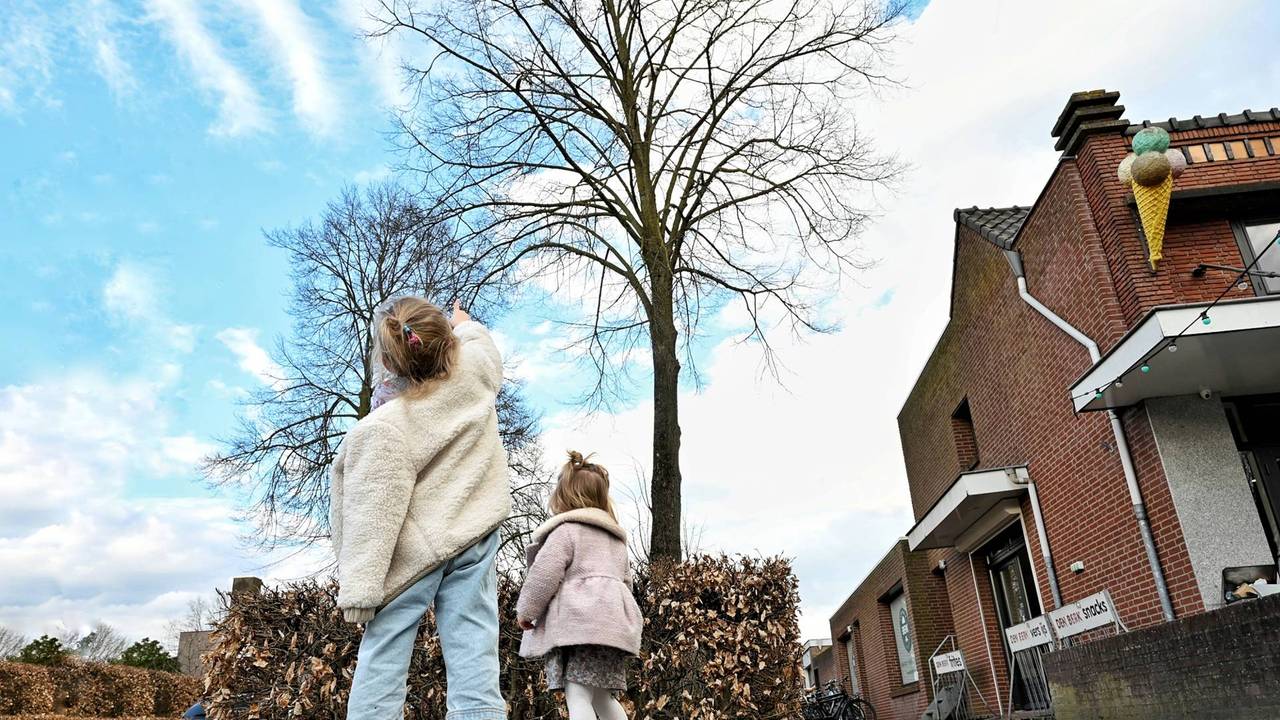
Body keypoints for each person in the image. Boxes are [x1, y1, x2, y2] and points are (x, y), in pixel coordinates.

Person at [331, 297, 510, 720]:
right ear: (449, 344)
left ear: (391, 366)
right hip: (475, 534)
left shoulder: (387, 427)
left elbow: (373, 511)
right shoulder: (478, 375)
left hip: (413, 553)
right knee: (476, 655)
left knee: (385, 652)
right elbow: (479, 342)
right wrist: (462, 322)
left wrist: (361, 589)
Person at [516, 452, 643, 720]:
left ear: (564, 497)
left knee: (578, 694)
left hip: (581, 626)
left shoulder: (566, 531)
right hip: (613, 629)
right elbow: (626, 584)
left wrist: (527, 611)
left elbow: (543, 574)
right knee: (601, 696)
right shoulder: (616, 540)